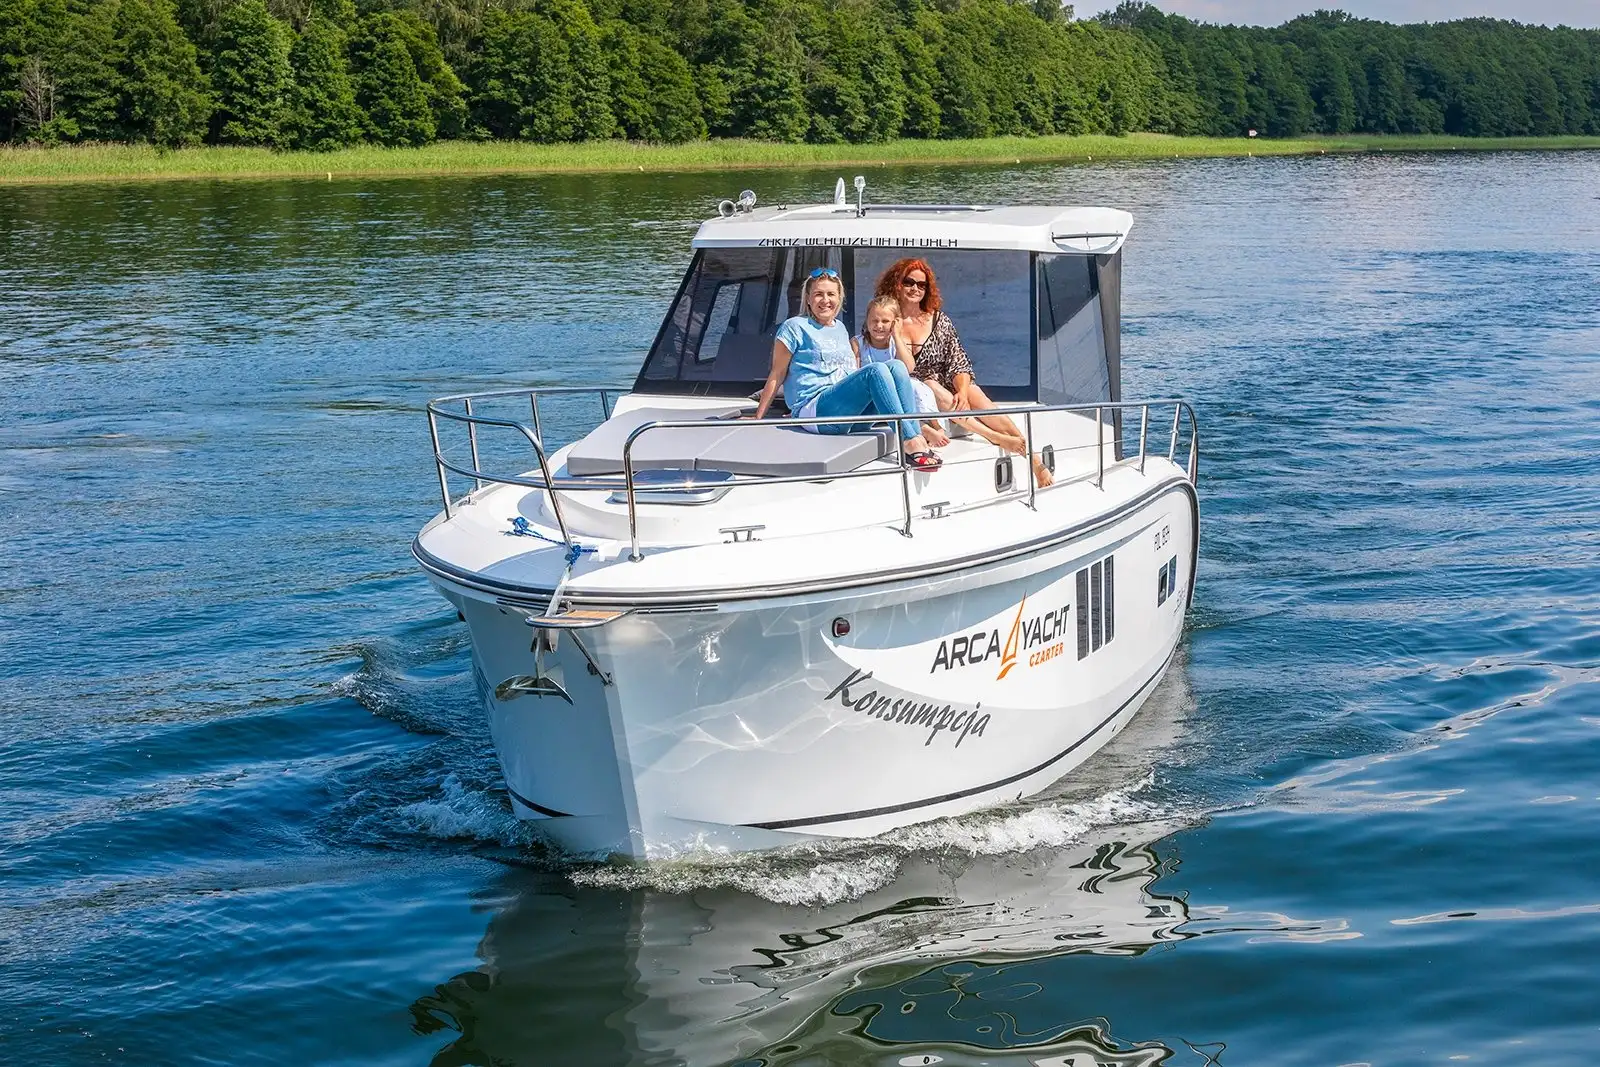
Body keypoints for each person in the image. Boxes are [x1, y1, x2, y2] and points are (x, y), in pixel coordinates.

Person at [876, 258, 1053, 487]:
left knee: (979, 399)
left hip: (947, 382)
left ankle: (1033, 458)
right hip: (917, 390)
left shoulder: (938, 320)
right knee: (931, 385)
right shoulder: (886, 319)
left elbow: (958, 360)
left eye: (922, 285)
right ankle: (994, 437)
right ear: (897, 283)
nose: (915, 289)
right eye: (909, 282)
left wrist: (961, 390)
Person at [753, 267, 942, 471]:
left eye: (831, 294)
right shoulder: (794, 327)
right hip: (816, 412)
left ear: (839, 298)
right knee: (875, 370)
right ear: (808, 299)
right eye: (818, 294)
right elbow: (778, 372)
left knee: (896, 366)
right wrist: (758, 416)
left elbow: (849, 375)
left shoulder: (840, 328)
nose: (825, 300)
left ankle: (915, 436)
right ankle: (910, 442)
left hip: (848, 416)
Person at [852, 295, 948, 447]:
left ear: (895, 323)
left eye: (885, 321)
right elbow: (854, 374)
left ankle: (936, 426)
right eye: (874, 320)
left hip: (898, 395)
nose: (879, 326)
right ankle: (924, 429)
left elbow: (908, 368)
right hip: (873, 396)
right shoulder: (858, 343)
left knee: (916, 386)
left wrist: (897, 335)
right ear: (867, 321)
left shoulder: (897, 342)